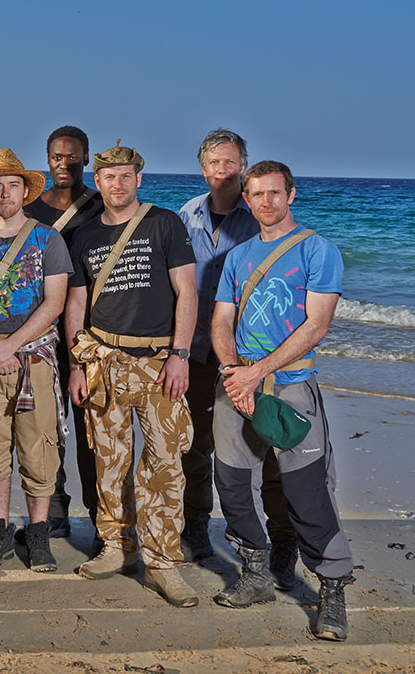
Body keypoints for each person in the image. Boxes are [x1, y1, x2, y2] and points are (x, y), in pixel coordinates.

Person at [211, 160, 354, 640]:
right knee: (232, 482)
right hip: (237, 382)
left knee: (307, 489)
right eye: (256, 194)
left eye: (274, 192)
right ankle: (256, 573)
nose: (266, 201)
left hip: (290, 386)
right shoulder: (238, 256)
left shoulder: (318, 250)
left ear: (291, 194)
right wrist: (233, 372)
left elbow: (317, 325)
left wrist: (257, 373)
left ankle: (331, 589)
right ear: (246, 199)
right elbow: (221, 319)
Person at [64, 142, 200, 607]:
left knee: (165, 463)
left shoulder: (164, 223)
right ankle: (117, 546)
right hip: (103, 361)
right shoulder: (84, 236)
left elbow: (187, 291)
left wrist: (180, 355)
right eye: (109, 177)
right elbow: (76, 303)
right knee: (109, 460)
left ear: (138, 179)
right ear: (97, 182)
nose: (117, 184)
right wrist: (77, 364)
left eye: (125, 176)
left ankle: (162, 564)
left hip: (159, 362)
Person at [177, 129, 299, 582]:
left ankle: (282, 541)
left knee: (266, 447)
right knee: (194, 444)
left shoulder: (261, 217)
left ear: (243, 166)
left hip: (250, 355)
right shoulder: (186, 214)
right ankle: (195, 527)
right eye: (214, 163)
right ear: (203, 168)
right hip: (195, 349)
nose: (222, 171)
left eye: (231, 163)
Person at [0, 149, 72, 572]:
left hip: (34, 358)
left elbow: (55, 302)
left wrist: (13, 345)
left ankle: (38, 533)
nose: (5, 193)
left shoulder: (48, 239)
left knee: (39, 447)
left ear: (26, 192)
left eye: (13, 185)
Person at [20, 125, 105, 551]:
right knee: (46, 427)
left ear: (86, 158)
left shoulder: (102, 207)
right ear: (47, 159)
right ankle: (54, 512)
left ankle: (101, 517)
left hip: (92, 332)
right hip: (40, 331)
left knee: (92, 431)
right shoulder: (30, 208)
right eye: (57, 156)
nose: (65, 164)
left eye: (73, 156)